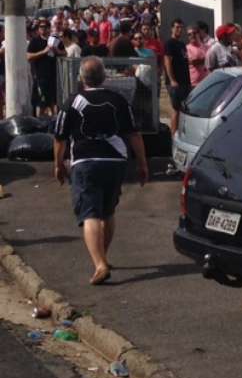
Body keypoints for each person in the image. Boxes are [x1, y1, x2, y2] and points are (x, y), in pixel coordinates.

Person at [53, 57, 149, 285]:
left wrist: (58, 164)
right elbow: (134, 134)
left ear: (81, 78)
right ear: (104, 77)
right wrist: (143, 164)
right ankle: (102, 256)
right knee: (108, 211)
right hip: (116, 161)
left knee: (90, 214)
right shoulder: (118, 100)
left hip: (85, 162)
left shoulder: (73, 102)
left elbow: (59, 138)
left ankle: (100, 264)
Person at [27, 20, 63, 116]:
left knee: (54, 101)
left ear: (49, 28)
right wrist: (44, 51)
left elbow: (64, 53)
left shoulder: (55, 39)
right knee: (41, 102)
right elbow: (28, 56)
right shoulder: (35, 41)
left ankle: (55, 122)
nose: (43, 29)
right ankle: (39, 123)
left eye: (45, 27)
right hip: (40, 76)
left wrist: (57, 51)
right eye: (41, 27)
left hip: (54, 75)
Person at [164, 18, 192, 135]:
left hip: (185, 82)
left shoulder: (182, 45)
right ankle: (173, 136)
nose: (179, 30)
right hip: (176, 83)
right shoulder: (170, 43)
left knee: (183, 110)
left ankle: (180, 134)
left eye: (181, 27)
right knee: (176, 110)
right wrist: (172, 80)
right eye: (177, 27)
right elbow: (167, 61)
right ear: (172, 28)